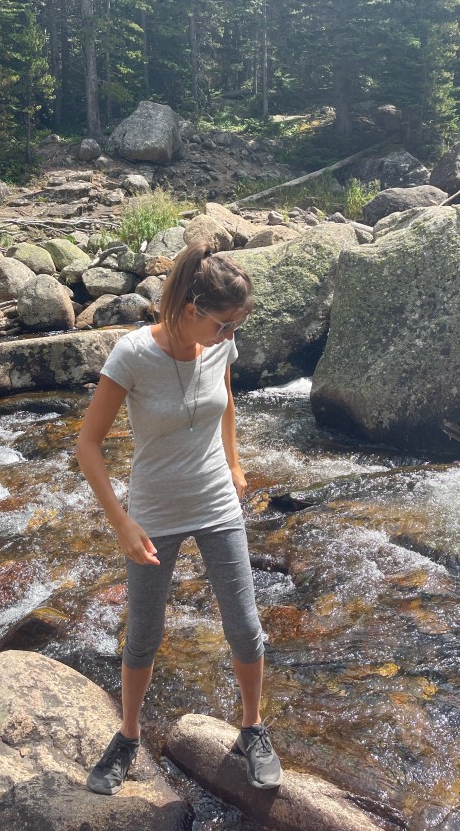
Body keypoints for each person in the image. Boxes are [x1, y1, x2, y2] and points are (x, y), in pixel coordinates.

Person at [75, 241, 282, 796]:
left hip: (216, 502)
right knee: (144, 635)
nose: (230, 335)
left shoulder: (219, 345)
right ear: (191, 310)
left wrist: (234, 462)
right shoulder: (132, 355)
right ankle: (128, 735)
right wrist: (121, 522)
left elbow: (226, 401)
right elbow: (87, 445)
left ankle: (252, 728)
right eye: (224, 324)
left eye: (236, 325)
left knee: (244, 626)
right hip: (154, 512)